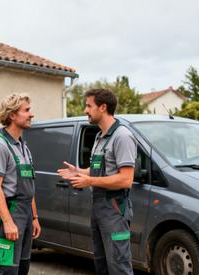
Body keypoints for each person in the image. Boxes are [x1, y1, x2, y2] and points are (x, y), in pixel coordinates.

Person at [59, 88, 137, 275]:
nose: (85, 110)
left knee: (119, 266)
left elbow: (126, 179)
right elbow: (98, 170)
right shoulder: (99, 137)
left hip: (115, 209)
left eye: (88, 105)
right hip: (99, 208)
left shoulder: (122, 136)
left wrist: (90, 181)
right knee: (102, 264)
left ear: (103, 107)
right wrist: (79, 172)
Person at [0, 93, 41, 275]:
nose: (31, 114)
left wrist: (34, 217)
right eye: (26, 110)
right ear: (12, 115)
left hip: (25, 215)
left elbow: (28, 187)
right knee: (7, 271)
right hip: (10, 214)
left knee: (22, 268)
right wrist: (8, 222)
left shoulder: (23, 147)